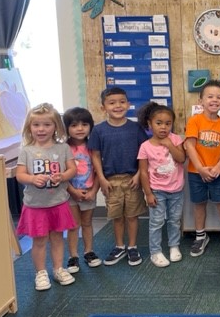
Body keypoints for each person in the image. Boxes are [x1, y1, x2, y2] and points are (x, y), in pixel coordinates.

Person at [15, 103, 77, 290]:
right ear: (29, 128)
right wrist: (33, 179)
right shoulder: (26, 150)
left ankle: (58, 268)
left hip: (57, 203)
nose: (41, 129)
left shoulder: (63, 148)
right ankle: (41, 273)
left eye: (47, 125)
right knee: (39, 240)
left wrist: (63, 176)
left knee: (58, 237)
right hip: (35, 205)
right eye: (36, 125)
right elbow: (20, 175)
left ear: (56, 127)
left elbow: (72, 169)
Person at [89, 87, 148, 267]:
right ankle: (119, 246)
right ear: (103, 107)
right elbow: (95, 156)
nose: (118, 106)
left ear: (128, 105)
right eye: (112, 102)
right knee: (117, 216)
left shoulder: (135, 128)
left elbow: (144, 153)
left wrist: (139, 175)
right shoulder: (99, 130)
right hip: (111, 180)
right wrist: (102, 179)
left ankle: (132, 246)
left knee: (132, 215)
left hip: (132, 178)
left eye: (122, 102)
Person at [184, 80, 220, 257]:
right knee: (199, 204)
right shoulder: (194, 121)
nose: (215, 100)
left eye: (219, 97)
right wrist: (200, 168)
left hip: (217, 173)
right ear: (201, 101)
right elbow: (189, 145)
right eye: (210, 96)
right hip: (196, 172)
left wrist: (218, 166)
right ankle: (200, 236)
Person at [138, 102, 186, 268]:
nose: (163, 127)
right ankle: (155, 251)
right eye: (159, 123)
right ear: (150, 124)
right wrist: (148, 193)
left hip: (176, 190)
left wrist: (170, 145)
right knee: (156, 222)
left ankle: (174, 246)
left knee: (174, 220)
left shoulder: (175, 139)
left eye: (168, 123)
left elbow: (181, 158)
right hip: (157, 190)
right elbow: (143, 172)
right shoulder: (145, 146)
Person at [63, 107, 102, 273]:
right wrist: (72, 191)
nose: (80, 129)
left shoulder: (93, 147)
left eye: (84, 124)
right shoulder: (63, 148)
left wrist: (94, 191)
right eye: (74, 125)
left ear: (90, 126)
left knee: (86, 223)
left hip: (89, 192)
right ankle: (73, 256)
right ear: (66, 128)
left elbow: (99, 171)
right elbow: (61, 175)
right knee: (73, 225)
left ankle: (89, 251)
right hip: (69, 193)